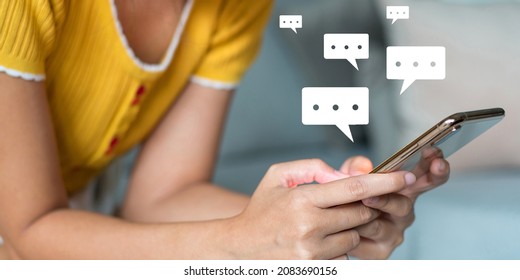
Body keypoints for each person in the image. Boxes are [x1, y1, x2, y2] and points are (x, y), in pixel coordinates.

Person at [0, 0, 449, 259]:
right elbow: (30, 228)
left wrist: (322, 219)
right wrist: (241, 241)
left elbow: (163, 196)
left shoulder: (236, 6)